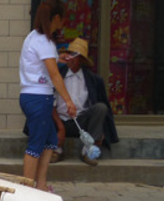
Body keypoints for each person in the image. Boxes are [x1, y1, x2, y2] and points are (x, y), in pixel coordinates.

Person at [19, 0, 77, 192]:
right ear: (56, 18)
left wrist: (57, 59)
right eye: (62, 19)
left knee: (50, 140)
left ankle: (41, 185)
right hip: (38, 98)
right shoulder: (44, 42)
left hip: (32, 96)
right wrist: (68, 100)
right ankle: (27, 189)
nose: (62, 24)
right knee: (36, 144)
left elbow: (42, 65)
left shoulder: (33, 37)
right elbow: (53, 74)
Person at [51, 37, 119, 166]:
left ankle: (87, 150)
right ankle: (56, 149)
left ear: (82, 59)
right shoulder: (58, 75)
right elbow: (51, 103)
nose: (70, 58)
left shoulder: (93, 80)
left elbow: (99, 106)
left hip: (81, 123)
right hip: (59, 121)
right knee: (43, 108)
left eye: (75, 55)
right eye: (69, 54)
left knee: (101, 107)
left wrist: (101, 130)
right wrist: (60, 128)